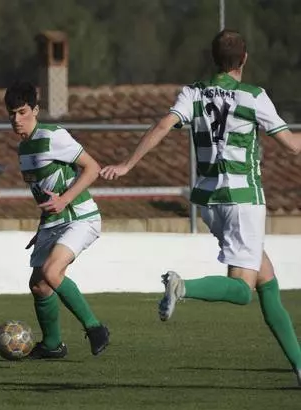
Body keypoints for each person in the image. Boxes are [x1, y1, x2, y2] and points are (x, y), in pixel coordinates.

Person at [100, 29, 301, 386]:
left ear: (214, 59)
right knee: (242, 290)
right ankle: (184, 287)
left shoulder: (193, 93)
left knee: (266, 280)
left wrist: (128, 164)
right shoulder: (254, 96)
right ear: (244, 58)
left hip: (210, 202)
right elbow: (292, 146)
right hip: (243, 201)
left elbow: (164, 124)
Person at [3, 81, 110, 359]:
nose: (16, 119)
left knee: (52, 273)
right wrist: (41, 229)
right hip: (52, 223)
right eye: (11, 113)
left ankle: (96, 328)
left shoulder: (54, 136)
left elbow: (92, 168)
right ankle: (52, 346)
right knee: (38, 285)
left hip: (80, 216)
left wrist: (64, 200)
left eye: (22, 112)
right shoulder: (23, 149)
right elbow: (44, 192)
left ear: (36, 110)